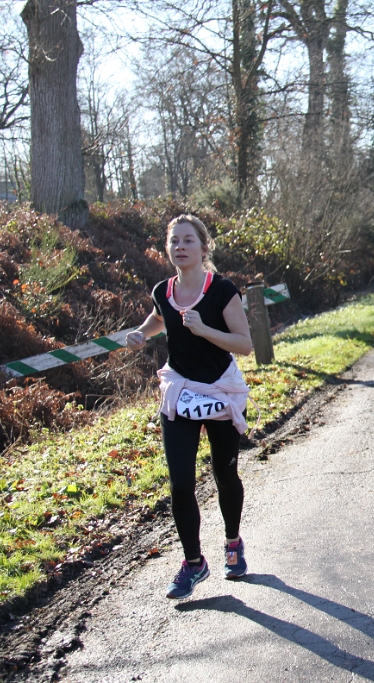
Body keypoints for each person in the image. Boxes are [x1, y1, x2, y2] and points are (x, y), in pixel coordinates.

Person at [126, 214, 254, 599]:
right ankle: (194, 563)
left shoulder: (222, 290)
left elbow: (244, 344)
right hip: (181, 390)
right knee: (180, 483)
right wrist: (141, 333)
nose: (180, 247)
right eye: (174, 241)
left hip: (219, 391)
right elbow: (158, 318)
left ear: (203, 247)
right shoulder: (162, 290)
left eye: (188, 240)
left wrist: (203, 330)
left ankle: (233, 543)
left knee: (224, 474)